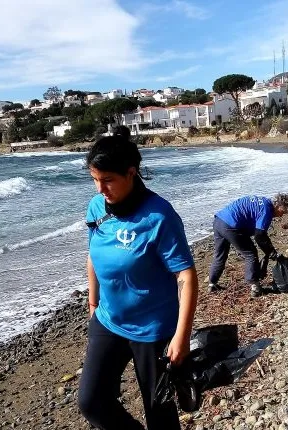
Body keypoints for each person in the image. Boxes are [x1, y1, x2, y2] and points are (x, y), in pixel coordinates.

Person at [78, 126, 199, 430]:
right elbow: (93, 253)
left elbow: (185, 273)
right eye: (95, 180)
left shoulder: (158, 216)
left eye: (107, 181)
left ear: (131, 173)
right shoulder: (97, 207)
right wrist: (93, 301)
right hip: (108, 321)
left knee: (160, 412)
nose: (100, 189)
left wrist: (181, 336)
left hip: (154, 331)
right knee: (91, 401)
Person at [207, 194, 288, 297]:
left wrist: (269, 252)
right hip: (231, 226)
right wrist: (271, 252)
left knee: (220, 255)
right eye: (282, 212)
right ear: (278, 206)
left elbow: (258, 233)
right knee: (250, 253)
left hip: (219, 221)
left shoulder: (263, 202)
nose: (281, 216)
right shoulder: (266, 210)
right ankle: (255, 287)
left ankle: (212, 284)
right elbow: (259, 236)